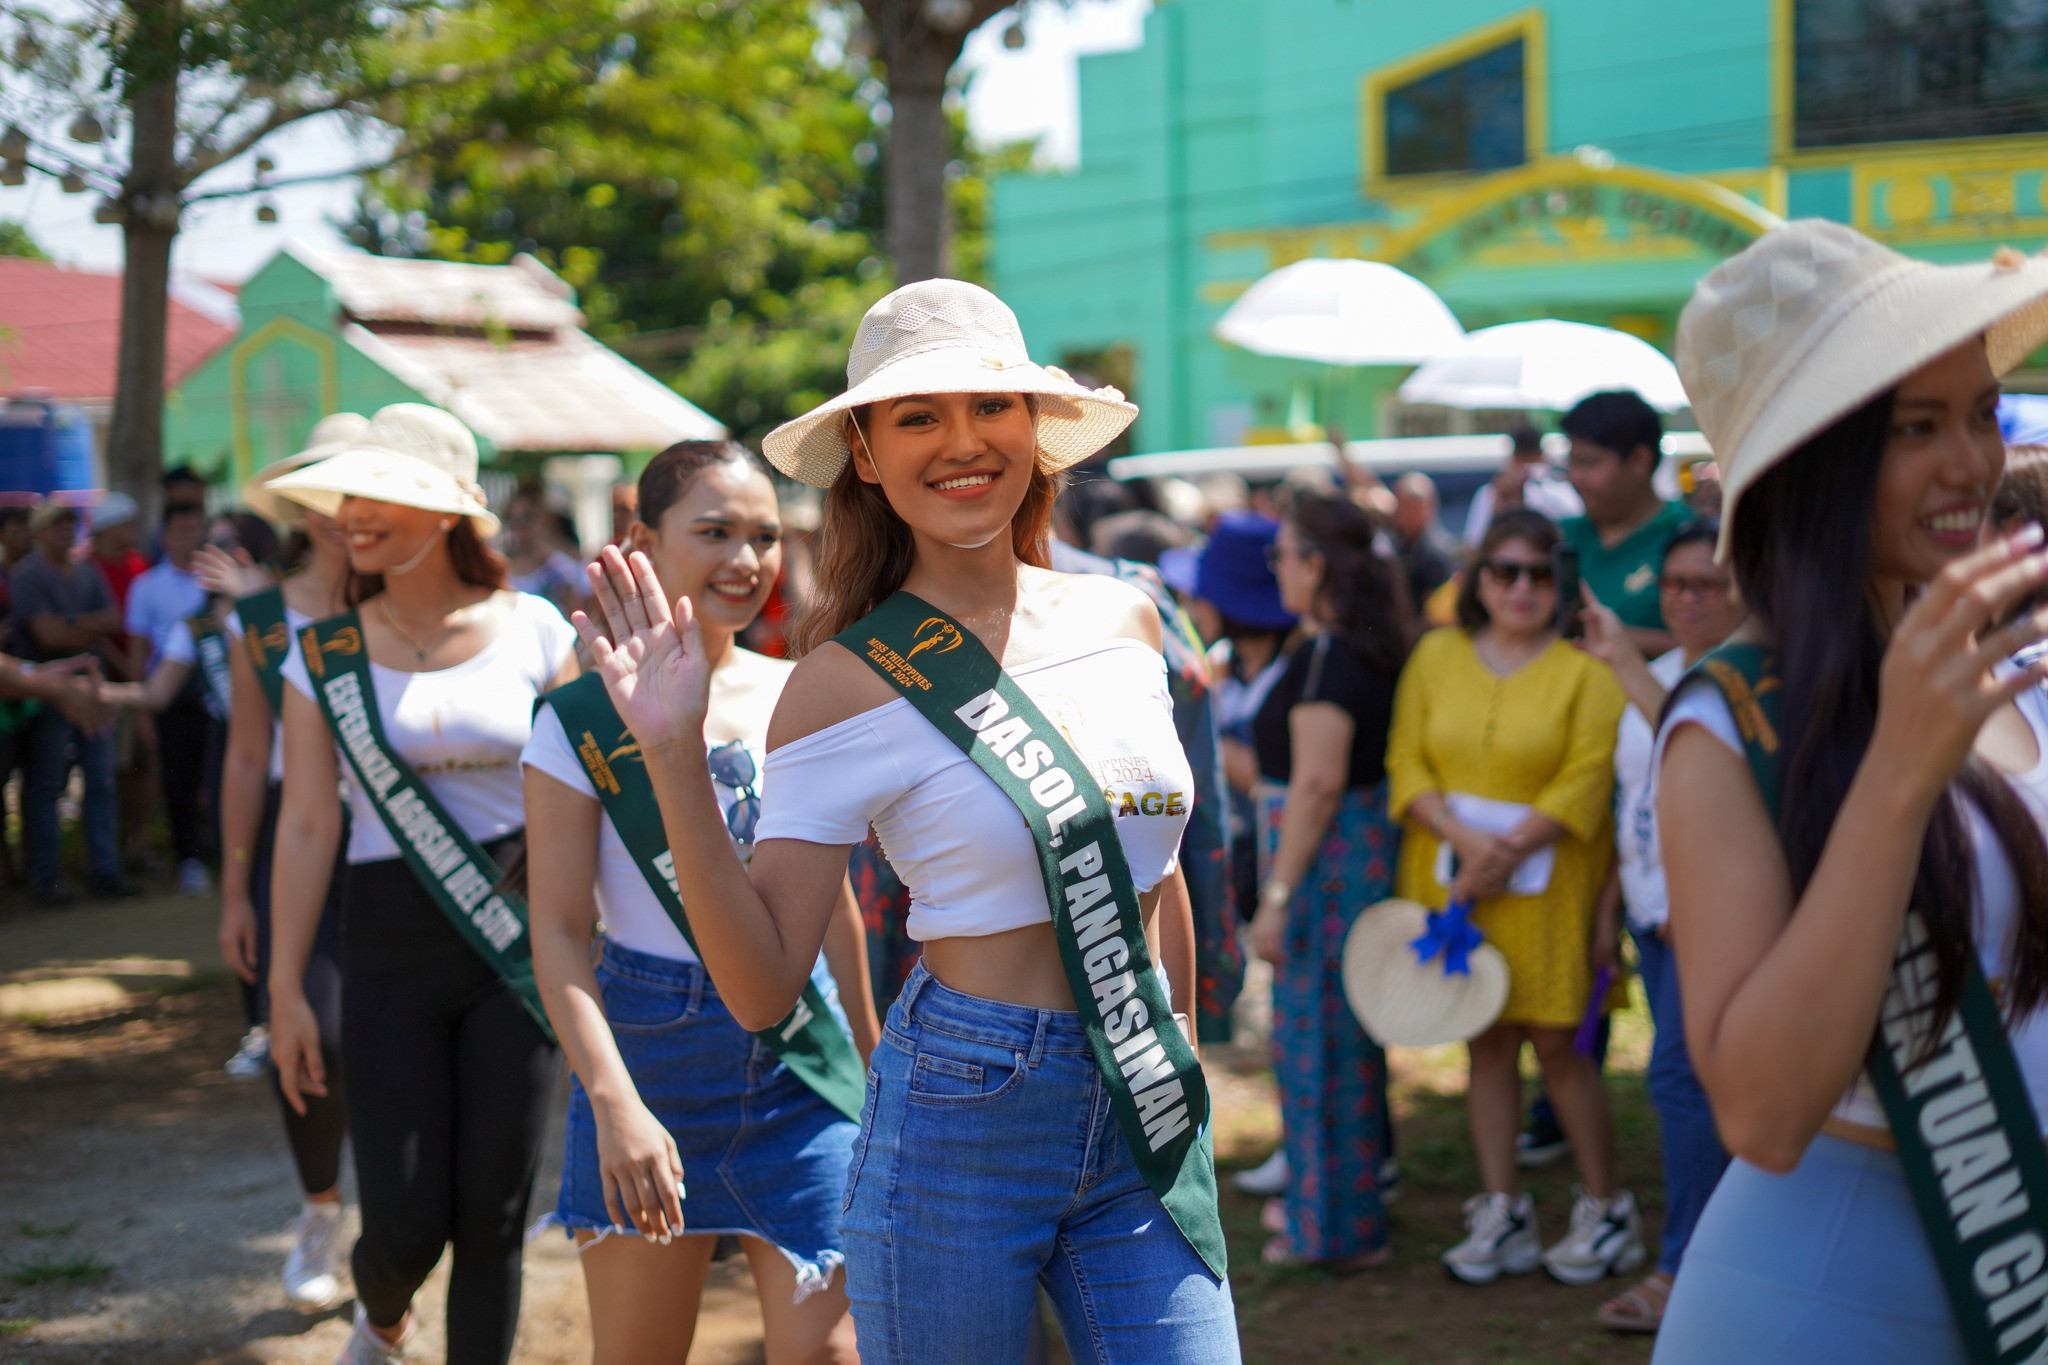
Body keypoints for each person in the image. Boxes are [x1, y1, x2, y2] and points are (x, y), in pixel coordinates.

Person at [575, 278, 1240, 1362]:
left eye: (990, 406)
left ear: (1036, 431)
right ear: (869, 457)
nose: (961, 442)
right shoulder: (843, 682)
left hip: (1140, 1098)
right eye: (918, 416)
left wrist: (1182, 1076)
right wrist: (669, 753)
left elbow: (1151, 883)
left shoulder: (1125, 618)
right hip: (963, 1107)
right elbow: (761, 984)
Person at [1650, 225, 2048, 1363]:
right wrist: (1895, 779)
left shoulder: (2018, 668)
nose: (1969, 463)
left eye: (1978, 413)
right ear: (1812, 462)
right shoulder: (1728, 726)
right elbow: (1762, 1116)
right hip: (1817, 1299)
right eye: (1913, 428)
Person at [524, 440, 878, 1363]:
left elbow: (829, 900)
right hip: (649, 1053)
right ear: (642, 537)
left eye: (763, 535)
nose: (746, 559)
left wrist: (877, 1068)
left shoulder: (801, 693)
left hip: (803, 1060)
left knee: (835, 1353)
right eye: (713, 530)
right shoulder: (579, 719)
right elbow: (559, 930)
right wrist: (615, 1104)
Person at [265, 404, 576, 1365]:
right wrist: (283, 986)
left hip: (513, 944)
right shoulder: (323, 654)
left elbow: (585, 779)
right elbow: (311, 821)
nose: (353, 514)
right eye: (347, 496)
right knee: (404, 1226)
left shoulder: (534, 627)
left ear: (447, 511)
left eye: (382, 494)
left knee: (493, 1212)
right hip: (386, 943)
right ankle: (385, 1318)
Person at [1386, 508, 1640, 1286]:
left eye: (1539, 572)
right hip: (1452, 879)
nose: (1523, 587)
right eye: (1506, 570)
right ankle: (1503, 1208)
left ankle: (1608, 1208)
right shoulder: (1435, 655)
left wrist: (1507, 849)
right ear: (1478, 579)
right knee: (1485, 1040)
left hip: (1554, 884)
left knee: (1561, 1045)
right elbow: (1407, 758)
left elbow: (1589, 773)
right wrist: (1467, 845)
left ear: (1559, 583)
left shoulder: (1588, 668)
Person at [1572, 520, 1743, 1333]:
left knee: (1685, 1082)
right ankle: (1710, 1261)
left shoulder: (1746, 680)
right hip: (1654, 914)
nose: (1684, 598)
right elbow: (1636, 799)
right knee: (1691, 1083)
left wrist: (1621, 659)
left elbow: (1692, 746)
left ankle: (1688, 1267)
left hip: (1717, 920)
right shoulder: (1665, 669)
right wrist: (1613, 909)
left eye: (1705, 584)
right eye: (1673, 584)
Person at [1242, 493, 1408, 1270]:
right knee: (1341, 1046)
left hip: (1324, 874)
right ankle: (1338, 1213)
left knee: (1317, 1047)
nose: (1274, 567)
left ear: (1316, 563)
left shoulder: (1328, 657)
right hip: (1345, 865)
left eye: (1283, 553)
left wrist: (1275, 899)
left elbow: (1314, 786)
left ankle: (1330, 1229)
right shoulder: (1352, 647)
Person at [1164, 511, 1298, 1198]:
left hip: (1291, 868)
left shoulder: (1293, 671)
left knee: (1302, 1019)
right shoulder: (1226, 668)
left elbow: (1285, 771)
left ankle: (1314, 1153)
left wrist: (1210, 751)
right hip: (1249, 866)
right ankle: (1296, 1143)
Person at [7, 502, 132, 902]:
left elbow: (113, 620)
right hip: (45, 695)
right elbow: (46, 637)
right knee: (46, 784)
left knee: (101, 780)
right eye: (55, 524)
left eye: (70, 524)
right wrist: (85, 629)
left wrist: (70, 627)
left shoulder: (87, 571)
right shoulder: (27, 575)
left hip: (93, 689)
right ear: (40, 532)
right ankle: (46, 877)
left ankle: (105, 872)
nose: (65, 531)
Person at [127, 498, 218, 894]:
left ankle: (225, 854)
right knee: (179, 780)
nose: (190, 538)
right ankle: (189, 859)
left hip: (221, 695)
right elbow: (138, 652)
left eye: (196, 530)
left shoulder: (217, 582)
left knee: (219, 777)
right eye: (181, 530)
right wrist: (143, 712)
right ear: (165, 536)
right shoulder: (146, 586)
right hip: (171, 697)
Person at [1558, 391, 1691, 656]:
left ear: (1640, 461)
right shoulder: (1561, 535)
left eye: (1589, 463)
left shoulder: (1690, 540)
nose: (1575, 478)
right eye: (1571, 463)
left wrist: (1602, 634)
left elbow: (1715, 646)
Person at [1463, 425, 1583, 545]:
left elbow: (1473, 543)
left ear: (1512, 456)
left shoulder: (1489, 492)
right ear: (1542, 455)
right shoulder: (1561, 490)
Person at [1391, 472, 1460, 615]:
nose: (1402, 511)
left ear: (1428, 507)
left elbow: (1438, 608)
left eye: (1410, 505)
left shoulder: (1437, 552)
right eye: (1400, 504)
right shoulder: (1400, 541)